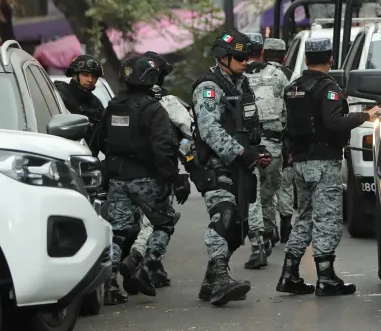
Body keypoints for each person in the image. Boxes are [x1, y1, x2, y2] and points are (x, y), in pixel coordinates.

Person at [277, 38, 380, 297]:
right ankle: (326, 277)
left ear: (307, 60)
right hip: (323, 162)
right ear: (330, 59)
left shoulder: (293, 88)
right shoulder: (327, 88)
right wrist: (367, 115)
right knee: (328, 219)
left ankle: (289, 273)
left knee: (304, 217)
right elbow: (334, 122)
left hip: (299, 161)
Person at [94, 55, 184, 305]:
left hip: (117, 178)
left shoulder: (114, 105)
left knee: (118, 231)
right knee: (165, 223)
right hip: (145, 178)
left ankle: (110, 285)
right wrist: (172, 178)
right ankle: (147, 266)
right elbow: (163, 147)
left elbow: (100, 140)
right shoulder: (152, 108)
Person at [191, 30, 272, 306]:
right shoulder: (209, 88)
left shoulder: (242, 85)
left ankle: (209, 281)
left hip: (240, 166)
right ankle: (221, 280)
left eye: (247, 56)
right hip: (217, 165)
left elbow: (250, 126)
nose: (245, 61)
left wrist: (258, 151)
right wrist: (241, 153)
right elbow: (209, 130)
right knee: (224, 216)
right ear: (222, 57)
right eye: (239, 57)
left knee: (238, 227)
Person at [122, 51, 191, 289]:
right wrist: (182, 167)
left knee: (134, 223)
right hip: (160, 172)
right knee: (159, 222)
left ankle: (150, 269)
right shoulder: (167, 102)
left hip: (125, 174)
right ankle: (138, 260)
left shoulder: (123, 103)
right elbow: (189, 136)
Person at [242, 32, 290, 269]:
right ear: (262, 51)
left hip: (247, 148)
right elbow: (288, 110)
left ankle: (258, 242)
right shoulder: (278, 75)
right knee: (268, 193)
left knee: (253, 195)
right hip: (273, 147)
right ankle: (270, 232)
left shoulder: (236, 77)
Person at [262, 37, 295, 243]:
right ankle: (286, 223)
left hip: (265, 139)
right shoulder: (290, 76)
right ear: (284, 57)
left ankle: (269, 227)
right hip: (287, 137)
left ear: (264, 55)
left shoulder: (255, 75)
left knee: (267, 186)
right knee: (286, 183)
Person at [54, 54, 105, 148]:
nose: (90, 80)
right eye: (85, 75)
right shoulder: (59, 95)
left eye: (94, 76)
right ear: (74, 76)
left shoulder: (97, 105)